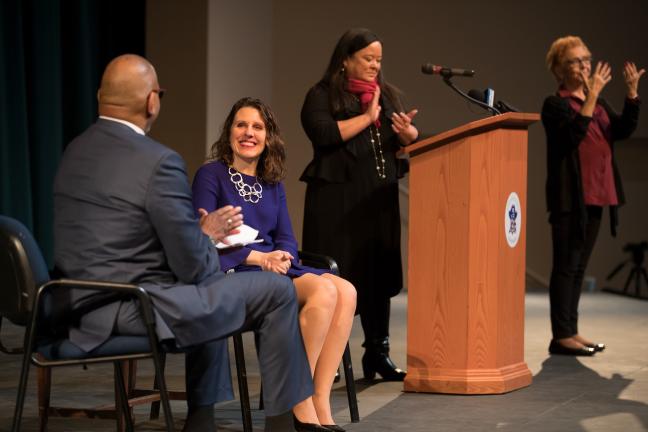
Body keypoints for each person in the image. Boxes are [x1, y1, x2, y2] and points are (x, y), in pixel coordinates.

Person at [53, 54, 314, 432]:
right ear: (151, 101)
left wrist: (201, 243)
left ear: (100, 97)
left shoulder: (73, 151)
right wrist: (205, 235)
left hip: (73, 301)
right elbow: (193, 263)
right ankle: (276, 425)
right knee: (270, 290)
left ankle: (202, 417)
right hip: (133, 304)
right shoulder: (158, 162)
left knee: (209, 291)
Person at [192, 97, 356, 432]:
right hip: (234, 270)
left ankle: (320, 398)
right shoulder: (211, 175)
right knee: (324, 290)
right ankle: (297, 400)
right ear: (229, 132)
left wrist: (282, 257)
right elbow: (204, 236)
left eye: (257, 127)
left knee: (347, 290)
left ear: (268, 137)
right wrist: (260, 258)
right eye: (241, 125)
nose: (248, 133)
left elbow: (285, 238)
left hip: (273, 269)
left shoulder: (272, 182)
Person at [299, 28, 418, 381]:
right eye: (368, 58)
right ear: (345, 59)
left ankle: (377, 353)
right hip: (337, 203)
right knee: (339, 275)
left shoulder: (387, 96)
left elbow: (401, 150)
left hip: (376, 201)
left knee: (377, 274)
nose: (375, 65)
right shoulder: (321, 96)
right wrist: (367, 118)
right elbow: (323, 134)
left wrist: (410, 138)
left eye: (379, 60)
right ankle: (327, 356)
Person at [542, 36, 644, 356]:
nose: (584, 65)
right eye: (575, 60)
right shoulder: (555, 104)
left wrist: (631, 94)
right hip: (571, 197)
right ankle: (561, 336)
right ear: (559, 69)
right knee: (566, 265)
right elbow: (572, 137)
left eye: (586, 58)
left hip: (598, 194)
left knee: (579, 267)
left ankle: (571, 330)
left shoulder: (596, 102)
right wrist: (592, 97)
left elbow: (622, 130)